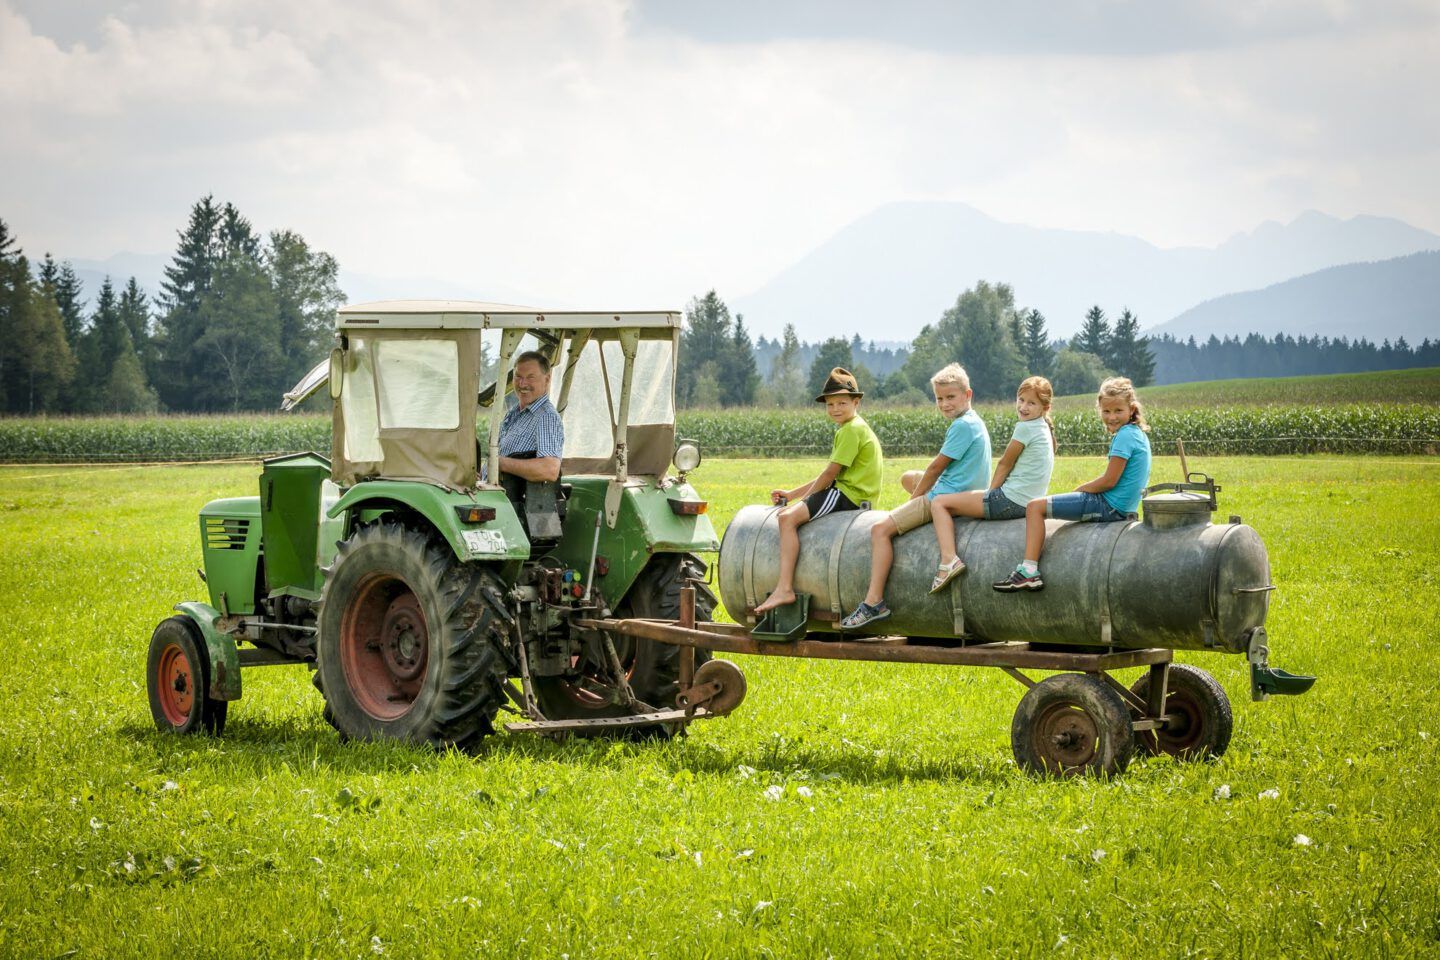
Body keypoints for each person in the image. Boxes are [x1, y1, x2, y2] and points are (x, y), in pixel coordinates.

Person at [840, 363, 990, 629]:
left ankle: (873, 602)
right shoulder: (973, 421)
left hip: (945, 495)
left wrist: (913, 503)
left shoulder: (960, 427)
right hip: (965, 490)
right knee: (907, 477)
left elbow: (935, 469)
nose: (944, 404)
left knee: (879, 530)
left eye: (951, 397)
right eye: (939, 398)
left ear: (968, 395)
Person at [994, 376, 1151, 592]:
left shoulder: (1124, 437)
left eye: (1118, 411)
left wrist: (1080, 490)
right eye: (1106, 411)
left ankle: (1028, 571)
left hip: (1108, 506)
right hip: (1124, 507)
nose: (1111, 417)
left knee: (1034, 507)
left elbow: (1109, 480)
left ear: (1131, 409)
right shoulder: (1137, 434)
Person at [752, 368, 882, 616]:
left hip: (849, 495)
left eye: (842, 402)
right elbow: (829, 475)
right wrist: (792, 494)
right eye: (830, 404)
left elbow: (829, 477)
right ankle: (785, 586)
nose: (835, 408)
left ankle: (784, 588)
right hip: (845, 491)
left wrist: (802, 502)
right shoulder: (853, 427)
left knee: (787, 519)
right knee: (792, 512)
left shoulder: (851, 430)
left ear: (857, 402)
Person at [925, 375, 1057, 592]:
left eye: (1031, 403)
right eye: (1021, 399)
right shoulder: (1043, 427)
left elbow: (1005, 464)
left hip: (1009, 500)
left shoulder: (1025, 428)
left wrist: (990, 494)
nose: (1023, 407)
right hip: (1028, 502)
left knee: (939, 503)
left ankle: (948, 561)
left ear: (1045, 406)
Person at [493, 350, 564, 483]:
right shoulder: (514, 413)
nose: (522, 384)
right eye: (518, 376)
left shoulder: (546, 416)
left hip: (517, 501)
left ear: (547, 379)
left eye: (530, 377)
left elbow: (549, 470)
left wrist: (500, 464)